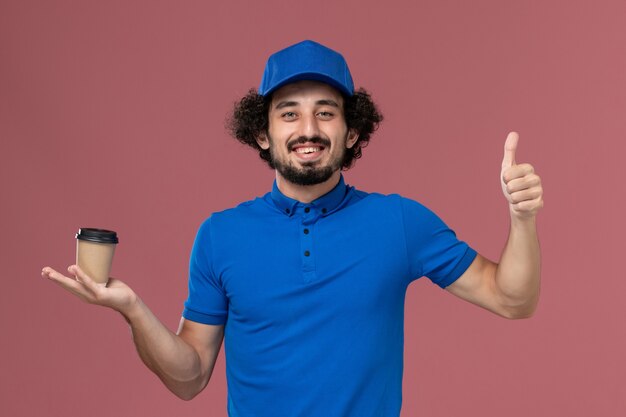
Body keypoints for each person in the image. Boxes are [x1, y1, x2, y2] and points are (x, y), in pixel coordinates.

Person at [42, 40, 543, 417]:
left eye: (326, 113)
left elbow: (512, 299)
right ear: (263, 132)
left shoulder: (399, 222)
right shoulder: (220, 235)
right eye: (290, 114)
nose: (308, 129)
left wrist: (522, 219)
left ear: (351, 132)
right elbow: (189, 378)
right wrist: (132, 310)